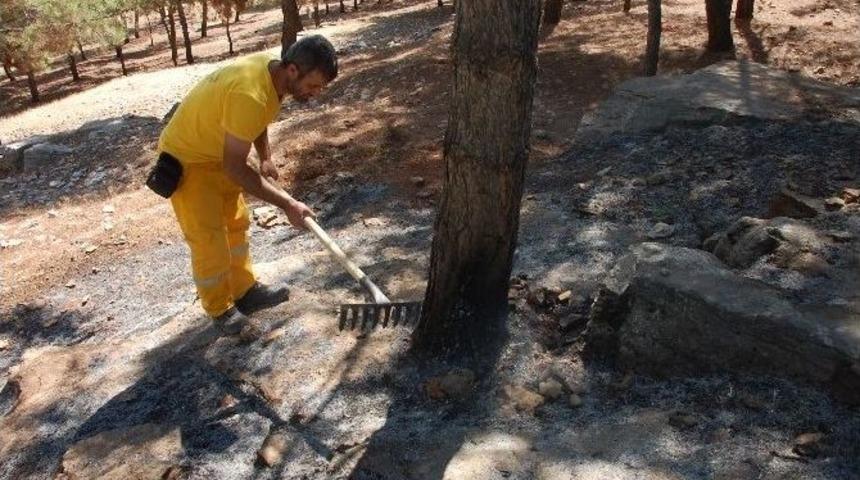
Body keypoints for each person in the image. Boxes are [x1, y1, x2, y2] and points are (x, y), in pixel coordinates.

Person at [156, 35, 338, 338]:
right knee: (210, 240)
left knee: (236, 226)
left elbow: (256, 119)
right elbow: (235, 163)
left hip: (217, 153)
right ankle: (220, 310)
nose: (315, 94)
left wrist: (265, 156)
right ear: (292, 70)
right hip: (189, 160)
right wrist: (287, 204)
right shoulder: (250, 93)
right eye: (314, 85)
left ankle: (244, 291)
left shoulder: (271, 75)